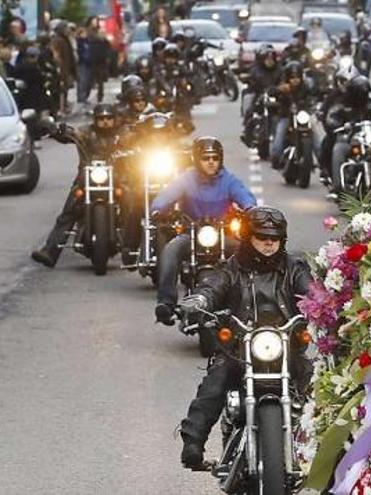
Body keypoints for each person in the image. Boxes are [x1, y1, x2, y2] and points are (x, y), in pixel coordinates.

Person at [177, 206, 312, 469]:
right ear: (249, 237)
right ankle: (193, 444)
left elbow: (310, 290)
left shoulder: (294, 267)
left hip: (287, 349)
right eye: (262, 236)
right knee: (215, 381)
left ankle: (334, 459)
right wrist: (200, 299)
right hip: (240, 350)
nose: (269, 242)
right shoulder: (232, 267)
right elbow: (213, 285)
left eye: (275, 237)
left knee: (317, 383)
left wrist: (325, 302)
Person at [152, 137, 257, 324]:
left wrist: (251, 209)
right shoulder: (185, 179)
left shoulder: (229, 180)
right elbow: (167, 195)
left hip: (222, 236)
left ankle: (252, 302)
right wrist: (158, 209)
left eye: (215, 158)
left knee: (248, 253)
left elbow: (245, 196)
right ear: (196, 159)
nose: (211, 162)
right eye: (206, 158)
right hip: (190, 234)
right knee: (170, 250)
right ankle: (166, 304)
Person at [31, 104, 121, 267]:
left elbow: (140, 136)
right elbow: (70, 134)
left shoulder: (122, 134)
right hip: (87, 178)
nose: (106, 122)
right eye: (101, 119)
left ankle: (137, 248)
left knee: (135, 204)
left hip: (119, 178)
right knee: (69, 211)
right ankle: (50, 251)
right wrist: (56, 130)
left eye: (109, 118)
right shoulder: (85, 132)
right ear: (95, 120)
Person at [270, 61, 311, 167]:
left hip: (303, 117)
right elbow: (271, 91)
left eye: (297, 77)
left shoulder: (306, 87)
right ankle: (276, 158)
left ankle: (322, 162)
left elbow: (315, 94)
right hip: (286, 116)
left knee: (315, 138)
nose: (295, 80)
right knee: (279, 134)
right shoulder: (284, 88)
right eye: (292, 77)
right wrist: (279, 90)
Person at [50, 21, 77, 116]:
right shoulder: (57, 40)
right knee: (61, 89)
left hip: (66, 68)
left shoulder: (65, 39)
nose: (67, 30)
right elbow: (56, 55)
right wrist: (59, 66)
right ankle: (60, 108)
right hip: (61, 68)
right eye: (65, 28)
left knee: (65, 89)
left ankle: (63, 106)